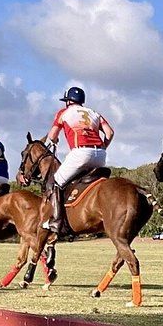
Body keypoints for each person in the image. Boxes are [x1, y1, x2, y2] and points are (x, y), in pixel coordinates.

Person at [41, 87, 114, 233]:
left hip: (81, 152)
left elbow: (52, 136)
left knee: (56, 183)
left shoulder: (64, 113)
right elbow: (110, 133)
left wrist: (53, 140)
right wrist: (103, 147)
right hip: (100, 155)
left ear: (68, 101)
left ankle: (56, 221)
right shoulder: (94, 113)